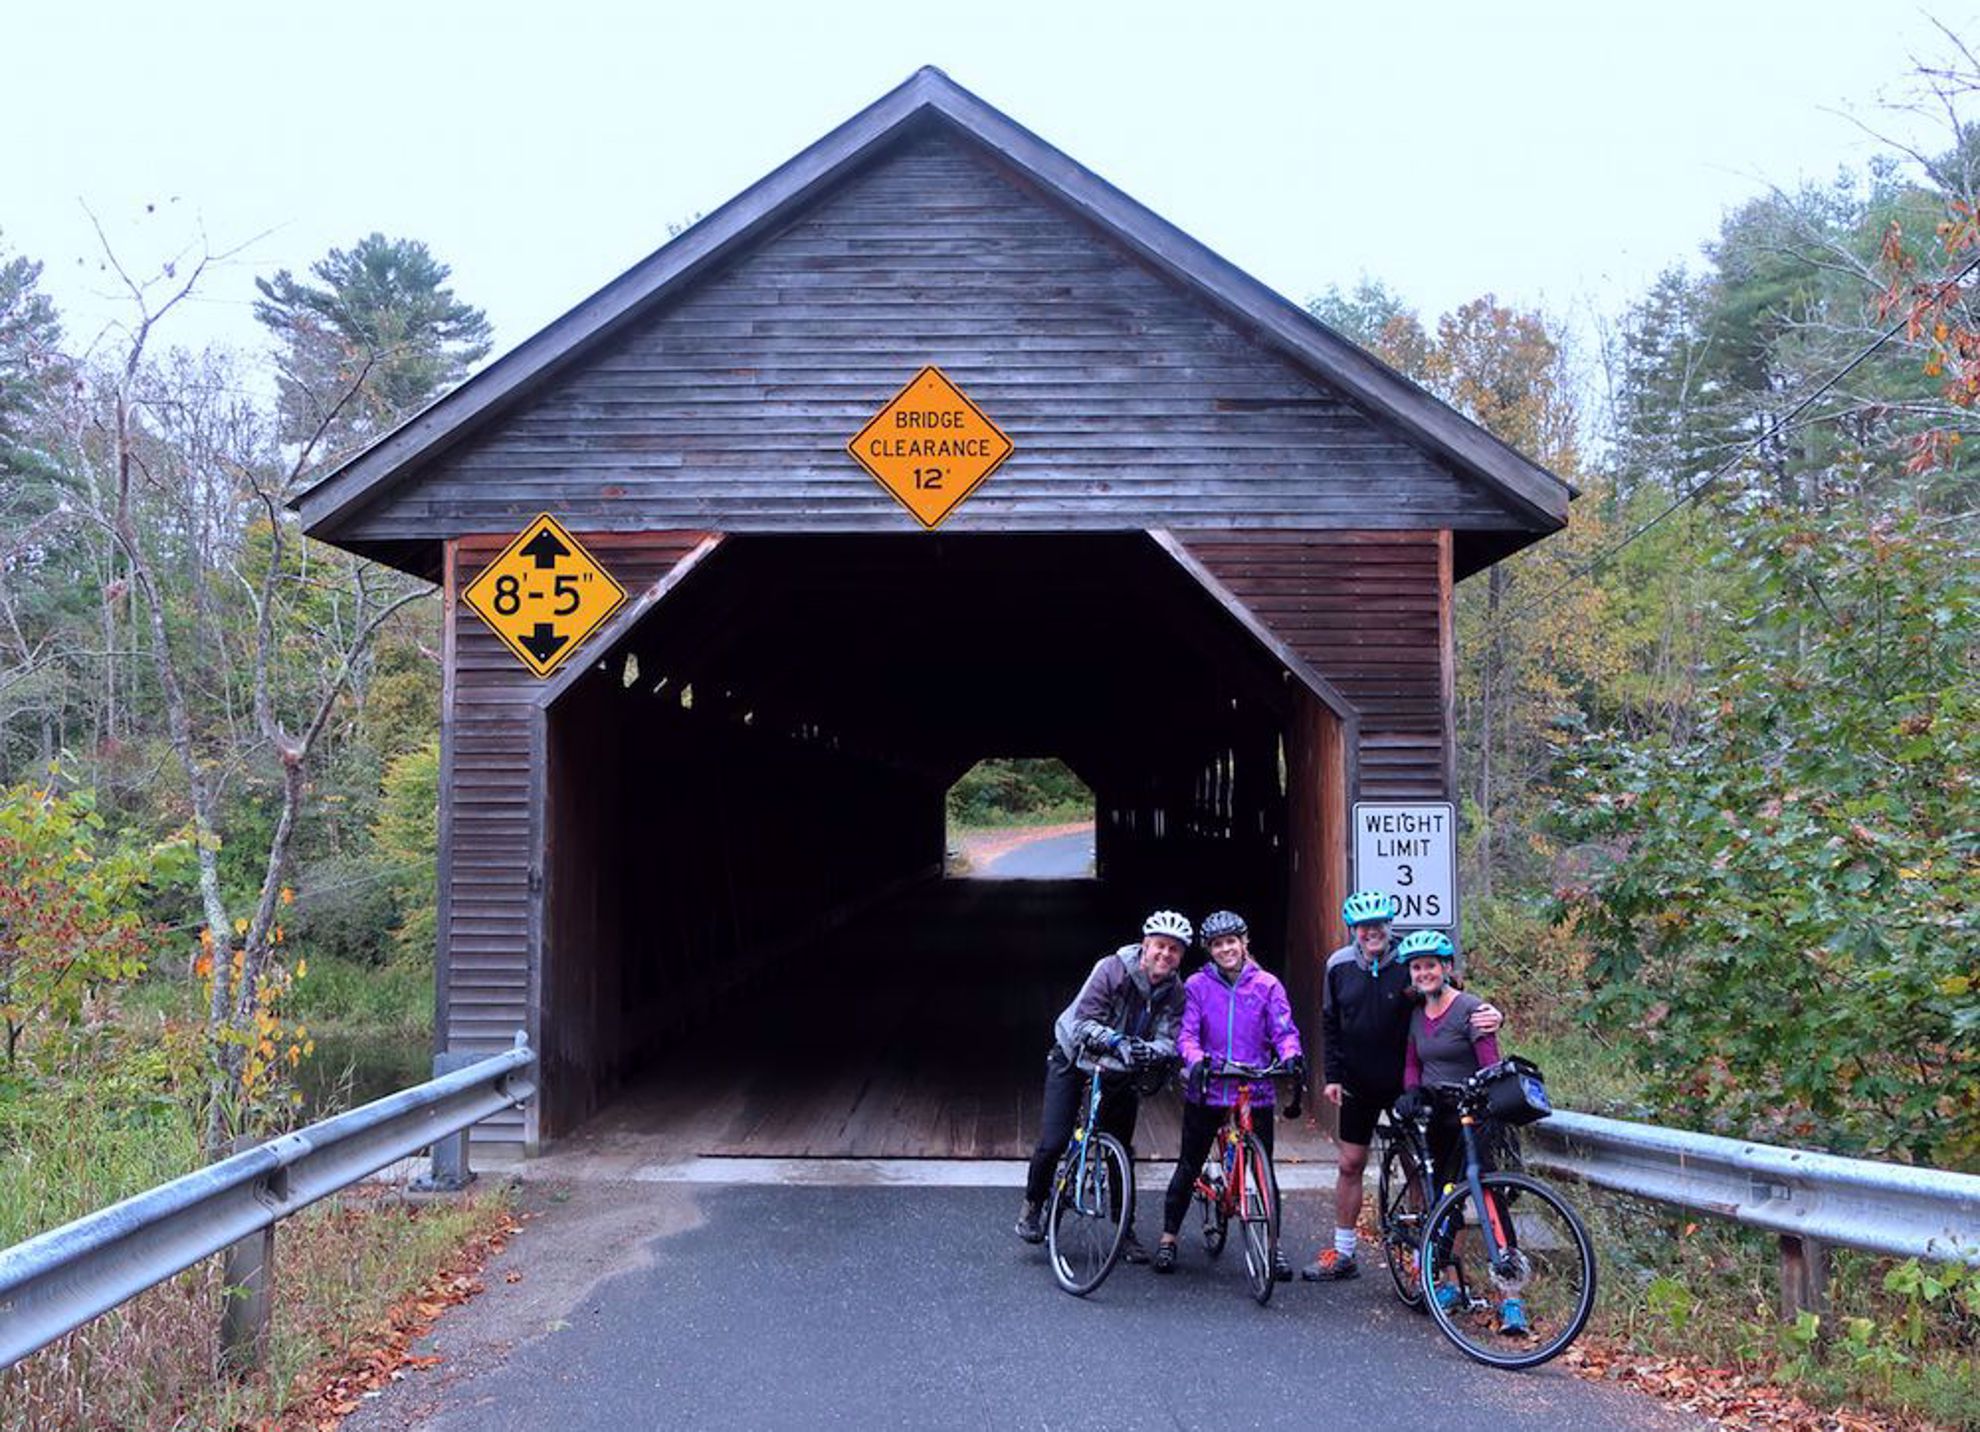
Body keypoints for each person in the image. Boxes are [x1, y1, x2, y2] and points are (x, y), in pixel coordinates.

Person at [1302, 890, 1502, 1282]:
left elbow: (1451, 999)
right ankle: (1343, 1253)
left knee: (1417, 1165)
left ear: (1388, 926)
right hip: (1358, 1080)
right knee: (1350, 1163)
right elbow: (1330, 1021)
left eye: (1378, 924)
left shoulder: (1408, 963)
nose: (1371, 932)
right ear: (1354, 930)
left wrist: (1496, 1015)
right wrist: (1334, 1075)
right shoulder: (1338, 966)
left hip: (1407, 1083)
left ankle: (1423, 1254)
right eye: (1363, 926)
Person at [1015, 910, 1190, 1262]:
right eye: (1159, 945)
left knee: (1120, 1151)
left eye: (1174, 949)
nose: (1165, 954)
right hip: (1074, 1055)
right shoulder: (1112, 969)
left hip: (1120, 1068)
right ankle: (1032, 1206)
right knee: (1054, 1140)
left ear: (1181, 955)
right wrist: (1117, 1041)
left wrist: (1145, 1050)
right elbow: (1083, 1022)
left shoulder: (1175, 992)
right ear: (1145, 945)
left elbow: (1170, 1039)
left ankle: (1124, 1231)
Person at [1153, 909, 1303, 1277]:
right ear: (1210, 950)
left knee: (1264, 1171)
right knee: (1189, 1165)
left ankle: (1273, 1246)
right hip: (1210, 1085)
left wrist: (1291, 1056)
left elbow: (1283, 1031)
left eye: (1231, 942)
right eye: (1218, 945)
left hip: (1254, 1086)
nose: (1226, 950)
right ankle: (1168, 1239)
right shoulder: (1196, 986)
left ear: (1244, 943)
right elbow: (1186, 1034)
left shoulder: (1267, 985)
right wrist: (1196, 1059)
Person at [1390, 928, 1525, 1334]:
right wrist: (1411, 1091)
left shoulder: (1472, 1009)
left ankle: (1512, 1299)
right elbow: (1413, 1061)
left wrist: (1480, 1097)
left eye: (1431, 965)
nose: (1424, 972)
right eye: (1417, 967)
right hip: (1435, 1116)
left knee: (1488, 1198)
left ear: (1446, 968)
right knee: (1444, 1200)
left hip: (1472, 1116)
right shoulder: (1416, 1015)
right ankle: (1450, 1284)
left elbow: (1489, 1063)